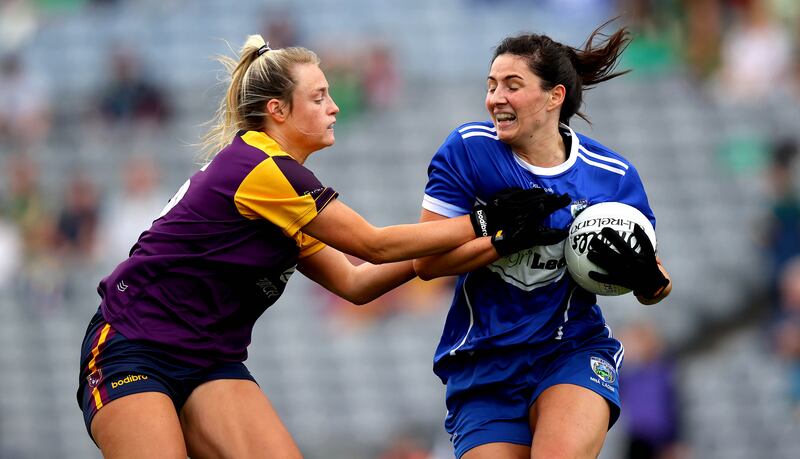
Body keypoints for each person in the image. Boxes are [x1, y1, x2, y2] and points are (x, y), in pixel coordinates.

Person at [75, 35, 550, 459]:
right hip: (132, 347)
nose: (334, 107)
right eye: (319, 97)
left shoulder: (279, 188)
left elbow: (355, 282)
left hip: (208, 361)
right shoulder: (263, 169)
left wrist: (492, 242)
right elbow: (374, 244)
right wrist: (482, 221)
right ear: (278, 110)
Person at [413, 22, 672, 459]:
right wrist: (501, 240)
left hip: (571, 350)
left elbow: (657, 285)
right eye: (492, 85)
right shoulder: (468, 150)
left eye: (512, 86)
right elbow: (426, 264)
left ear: (554, 97)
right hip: (485, 366)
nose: (496, 98)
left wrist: (647, 276)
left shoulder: (612, 175)